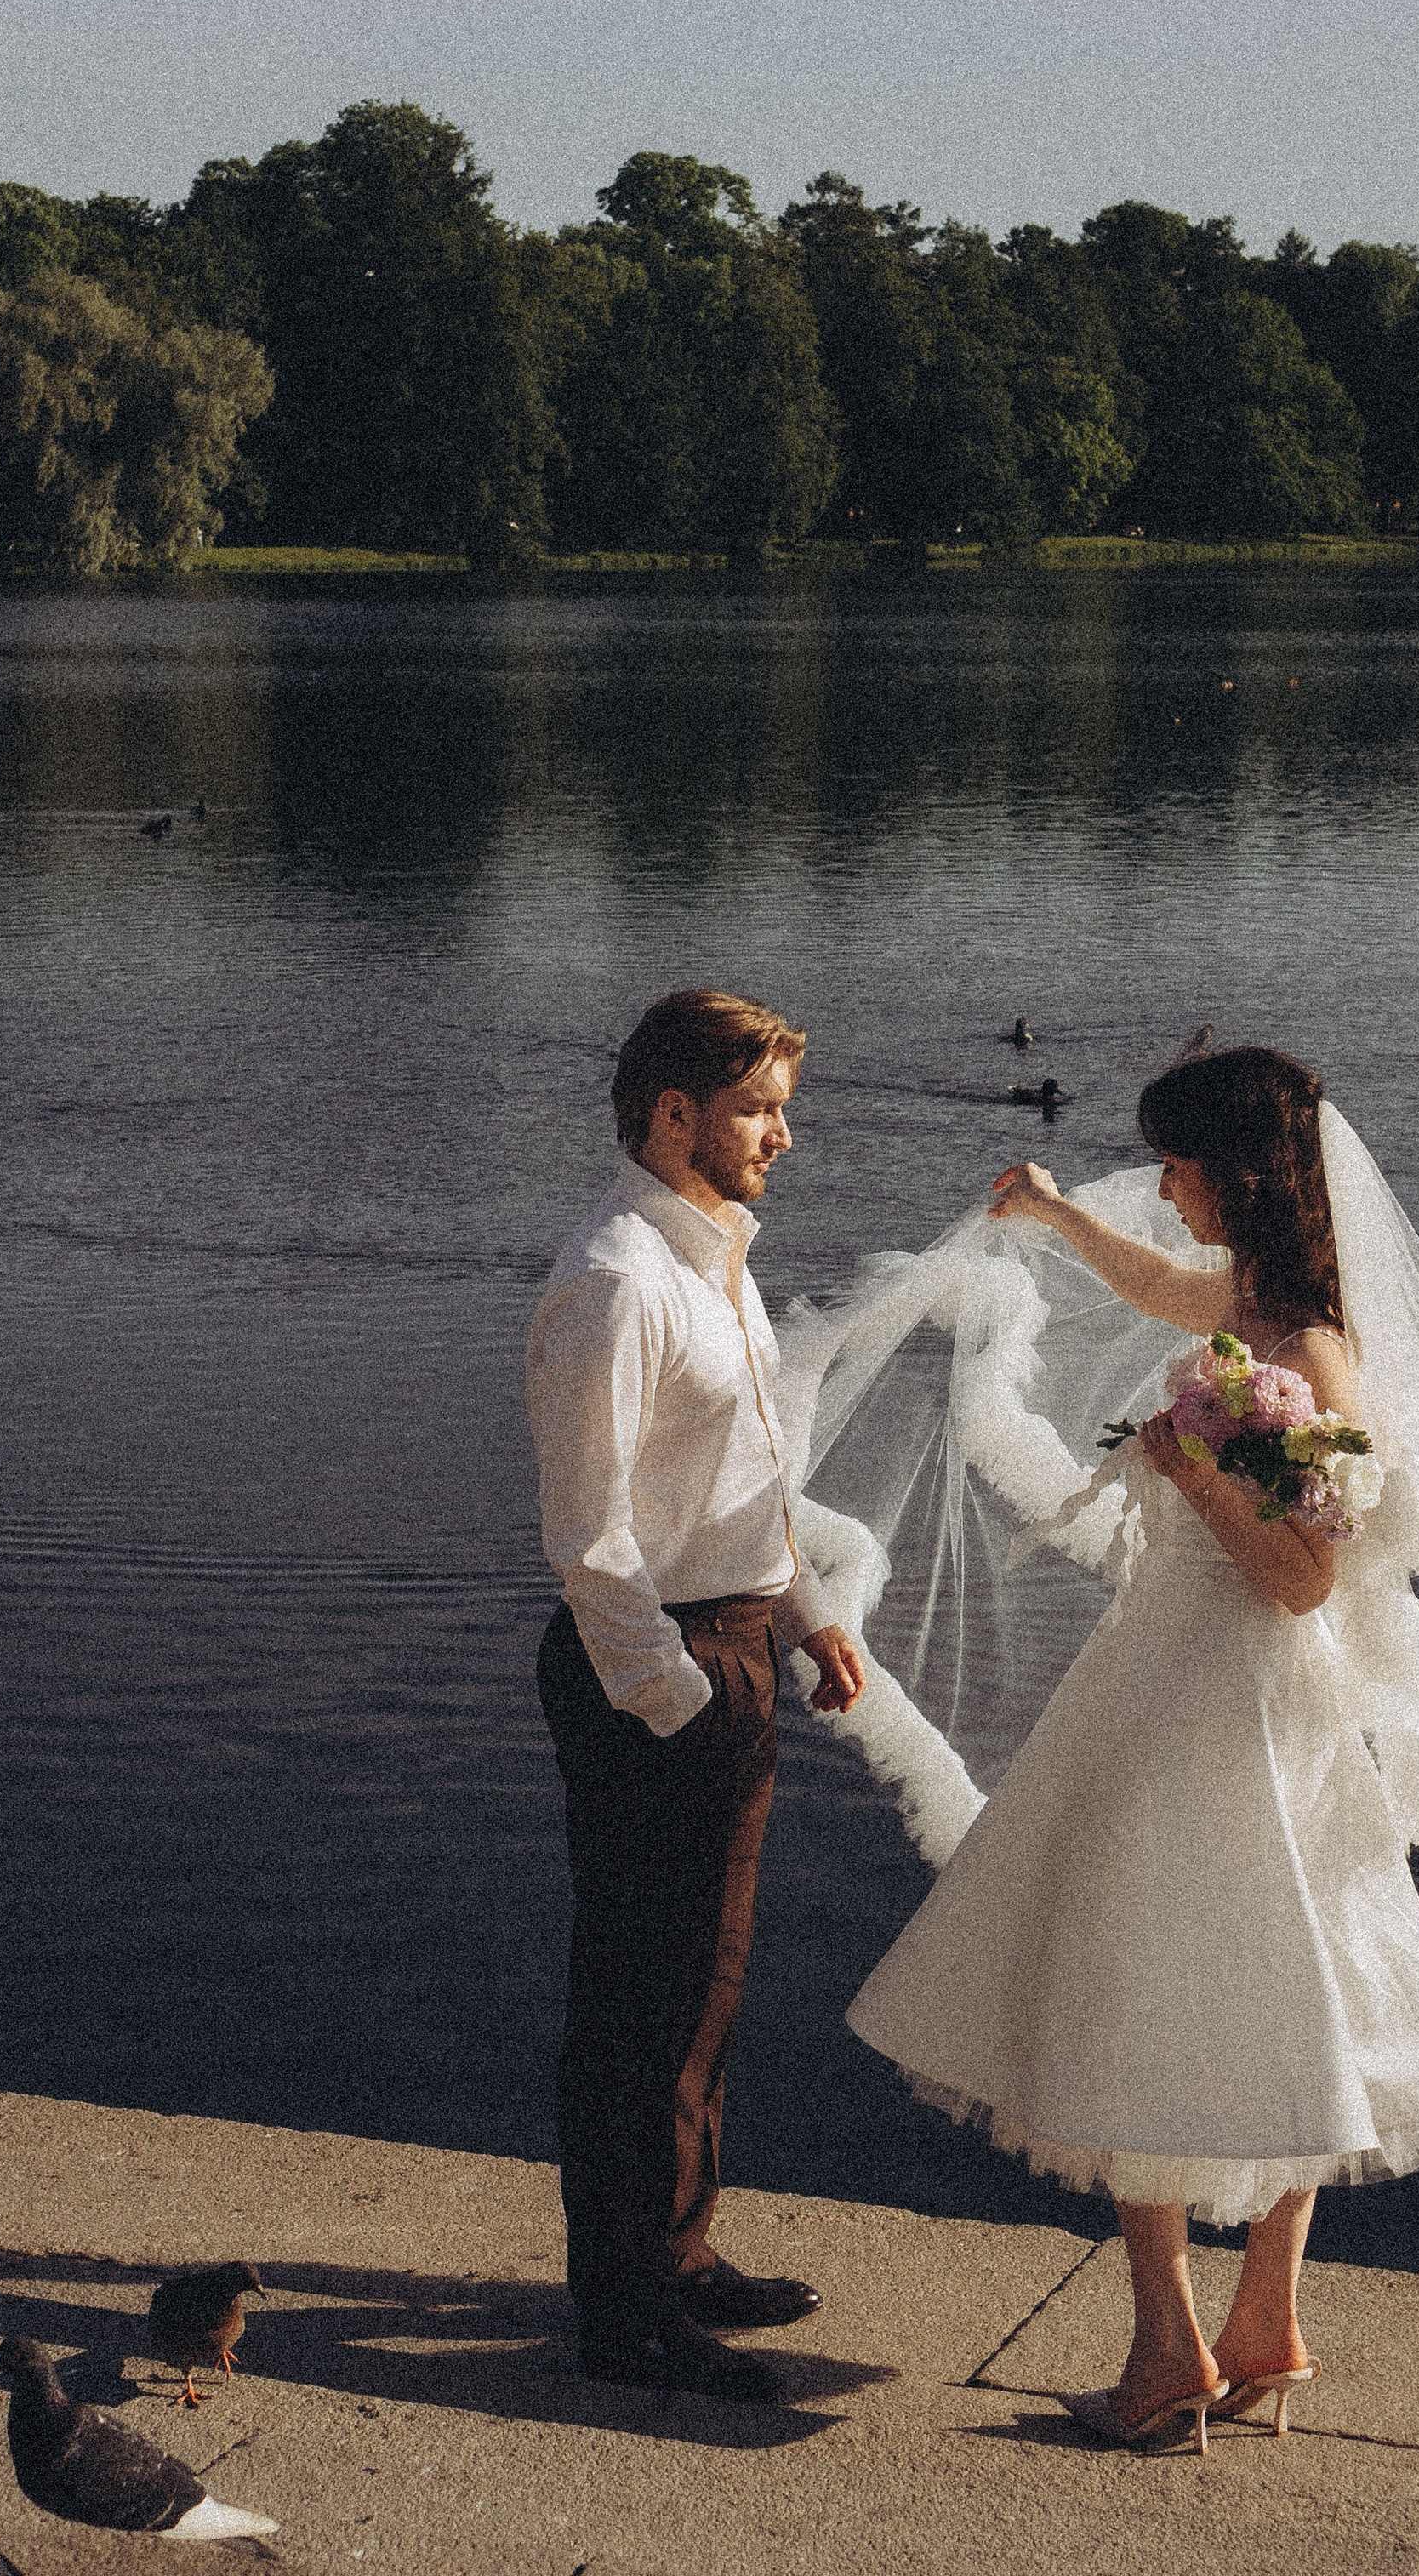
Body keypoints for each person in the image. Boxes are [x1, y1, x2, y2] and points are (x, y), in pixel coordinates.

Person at [842, 1045, 1419, 2453]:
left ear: (1237, 1172)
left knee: (1136, 1976)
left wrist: (1191, 1474)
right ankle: (1261, 2324)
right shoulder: (1267, 1304)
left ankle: (1171, 2350)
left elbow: (1303, 1577)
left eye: (1175, 1165)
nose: (1163, 1188)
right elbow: (1158, 1290)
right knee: (1293, 1979)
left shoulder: (1314, 1355)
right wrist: (1054, 1215)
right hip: (1197, 1676)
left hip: (1215, 1685)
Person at [530, 989, 868, 2398]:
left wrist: (799, 1617)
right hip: (651, 1668)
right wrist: (673, 1701)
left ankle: (675, 2254)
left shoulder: (714, 1258)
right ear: (676, 1113)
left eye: (782, 1105)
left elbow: (737, 1484)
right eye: (759, 1108)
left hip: (730, 1640)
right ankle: (622, 2317)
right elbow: (591, 1536)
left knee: (704, 1991)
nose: (783, 1135)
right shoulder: (618, 1280)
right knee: (637, 2002)